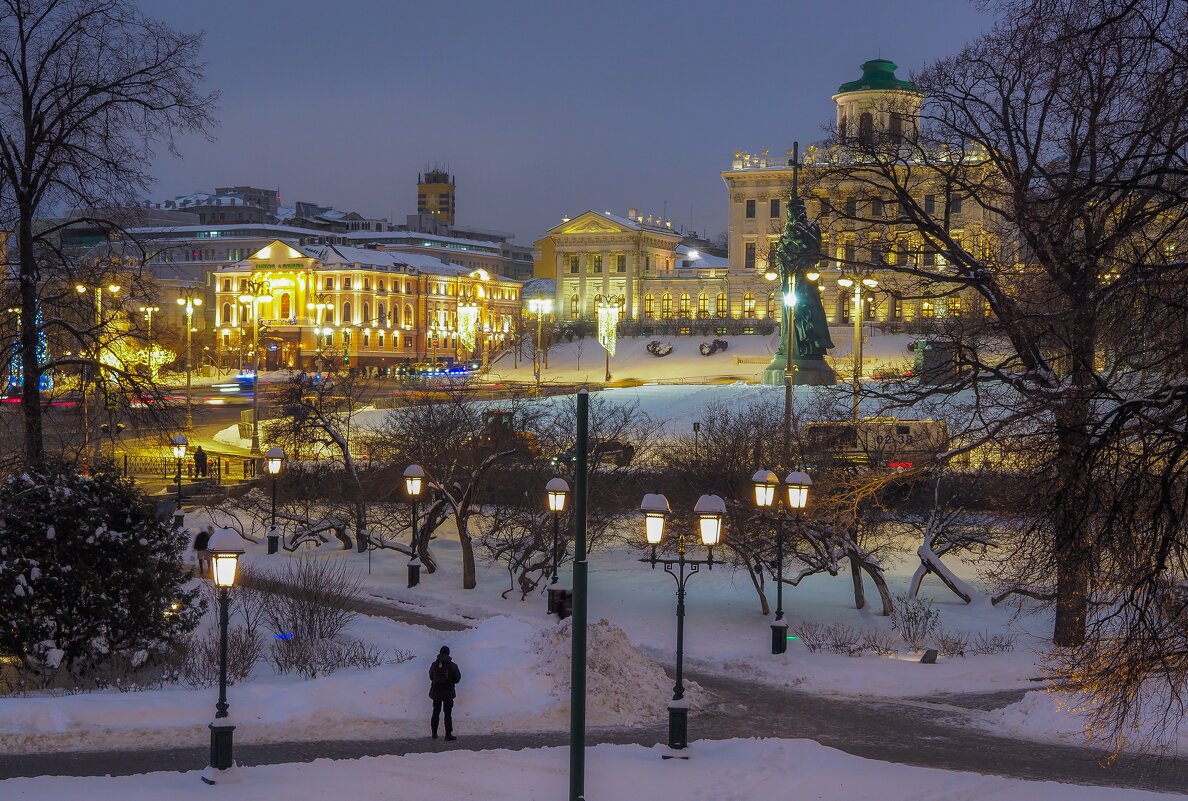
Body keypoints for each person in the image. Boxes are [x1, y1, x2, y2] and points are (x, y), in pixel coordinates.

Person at [429, 645, 462, 740]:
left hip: (436, 692)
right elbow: (457, 679)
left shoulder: (434, 665)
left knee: (436, 712)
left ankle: (434, 733)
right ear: (448, 653)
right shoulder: (453, 666)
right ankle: (448, 734)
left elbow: (431, 676)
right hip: (448, 693)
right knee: (447, 714)